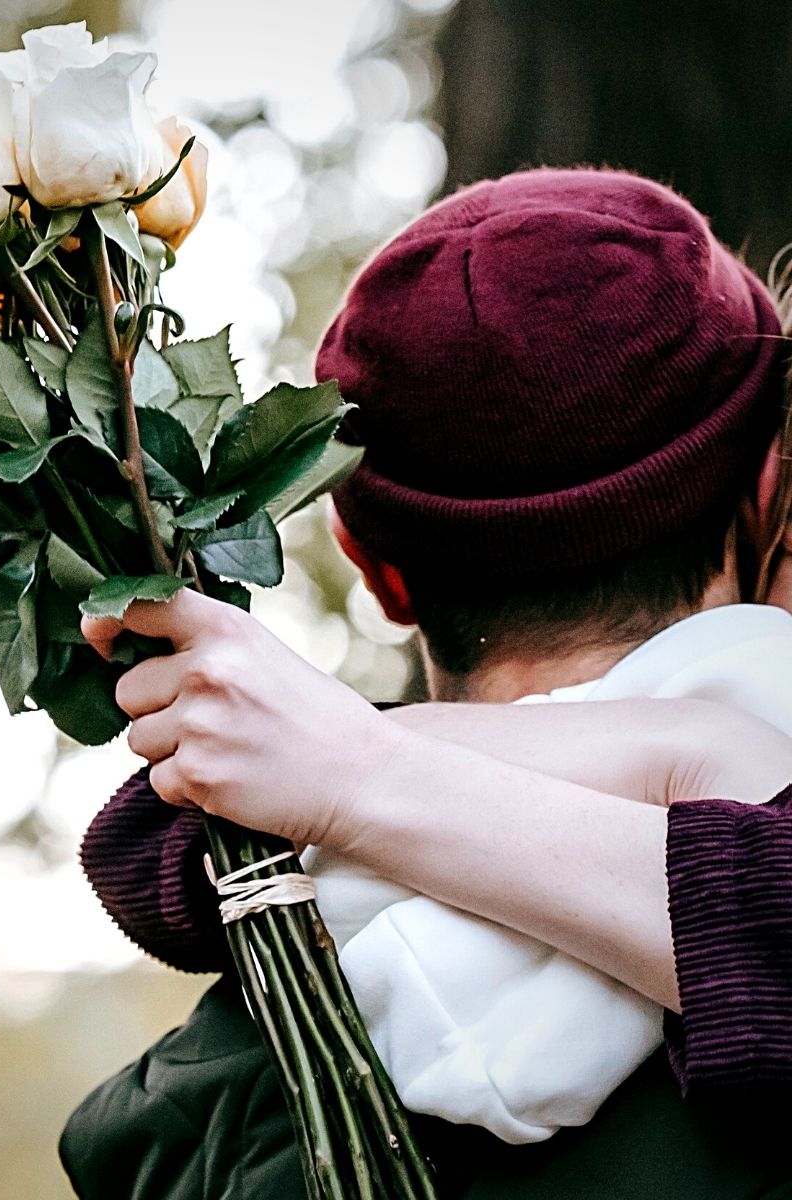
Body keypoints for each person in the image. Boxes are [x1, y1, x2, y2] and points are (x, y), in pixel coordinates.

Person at [62, 168, 792, 1197]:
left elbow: (148, 841)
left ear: (372, 568)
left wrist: (359, 762)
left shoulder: (202, 1119)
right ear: (765, 490)